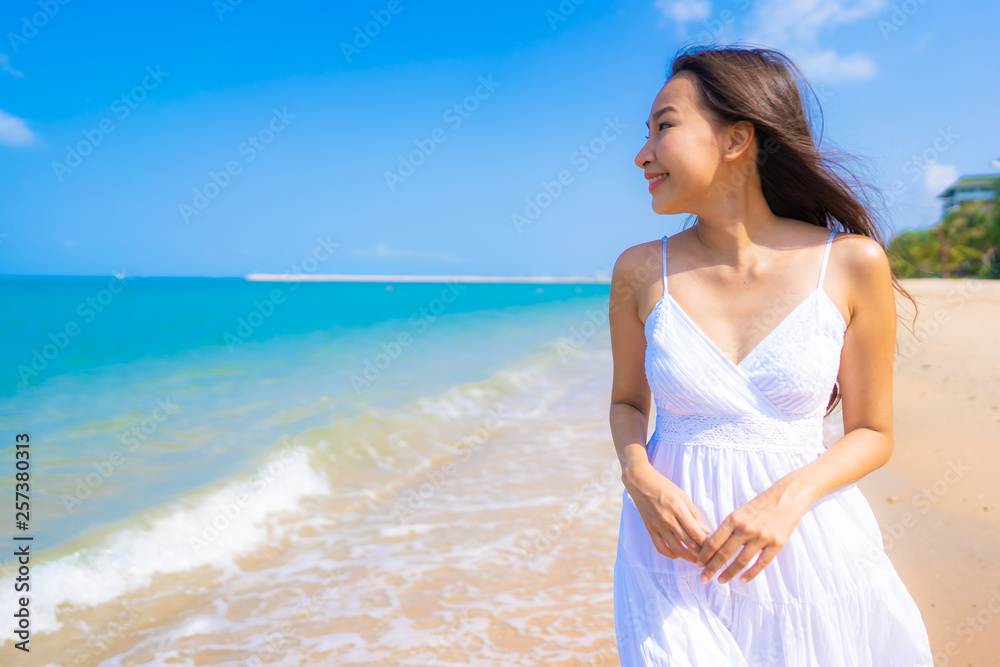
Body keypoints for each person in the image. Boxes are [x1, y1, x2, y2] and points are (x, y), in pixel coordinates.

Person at [608, 44, 935, 666]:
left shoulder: (850, 263)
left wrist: (784, 502)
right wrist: (639, 476)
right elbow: (627, 402)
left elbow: (871, 432)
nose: (642, 154)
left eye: (664, 127)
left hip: (807, 549)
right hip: (670, 561)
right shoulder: (640, 270)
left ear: (737, 138)